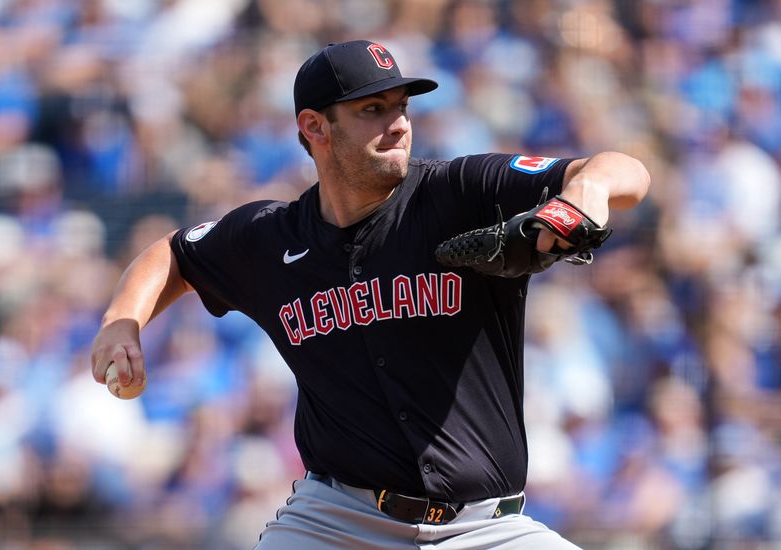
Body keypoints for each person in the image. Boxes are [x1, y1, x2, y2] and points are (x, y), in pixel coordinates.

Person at [91, 39, 650, 549]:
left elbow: (621, 170)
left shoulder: (459, 192)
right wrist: (122, 320)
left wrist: (584, 196)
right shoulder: (270, 238)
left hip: (485, 529)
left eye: (402, 106)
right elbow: (175, 254)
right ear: (314, 127)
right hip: (335, 521)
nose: (399, 124)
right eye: (372, 110)